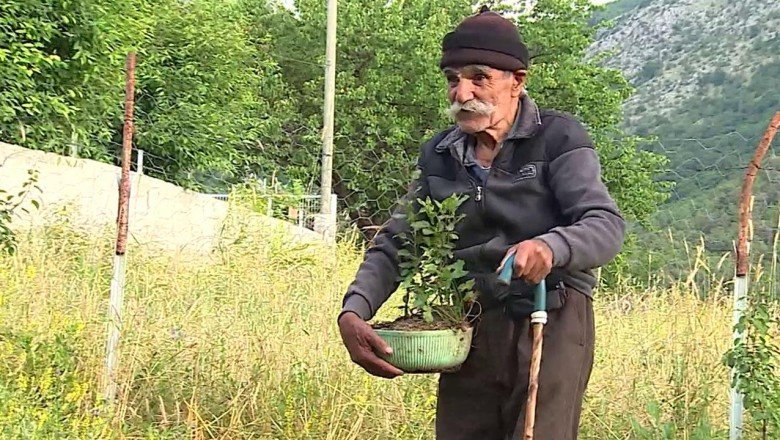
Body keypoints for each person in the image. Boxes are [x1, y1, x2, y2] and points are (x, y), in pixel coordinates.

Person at [337, 7, 625, 440]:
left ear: (518, 81)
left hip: (552, 315)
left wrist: (550, 247)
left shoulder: (559, 138)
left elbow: (604, 223)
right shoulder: (440, 154)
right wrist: (354, 310)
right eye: (453, 79)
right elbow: (397, 241)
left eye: (479, 77)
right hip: (470, 322)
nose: (462, 91)